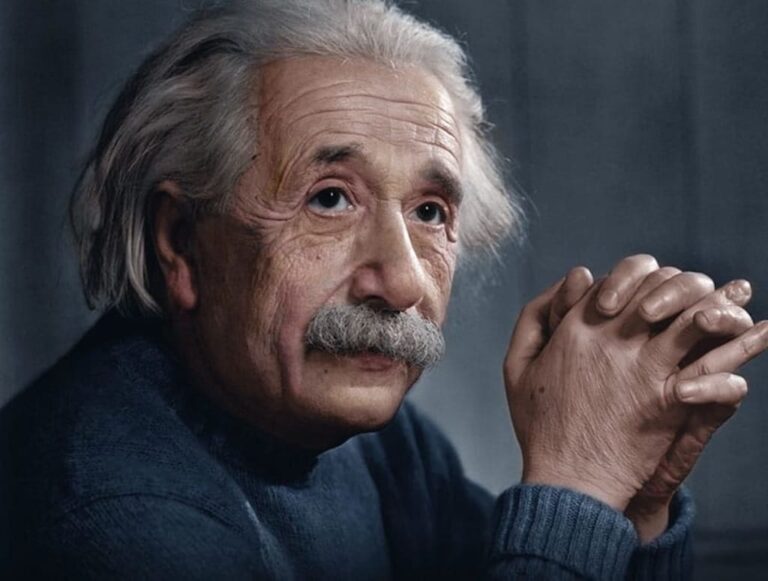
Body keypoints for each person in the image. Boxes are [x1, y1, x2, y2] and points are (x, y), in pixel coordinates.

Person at [1, 0, 766, 578]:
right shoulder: (114, 519)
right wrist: (576, 487)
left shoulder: (379, 444)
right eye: (330, 197)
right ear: (180, 241)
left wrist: (634, 501)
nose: (401, 281)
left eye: (430, 211)